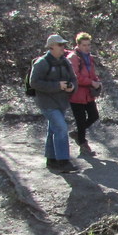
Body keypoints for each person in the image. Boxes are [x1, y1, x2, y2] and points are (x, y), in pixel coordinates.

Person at [29, 34, 78, 173]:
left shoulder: (65, 62)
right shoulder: (42, 63)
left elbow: (74, 79)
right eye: (60, 45)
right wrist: (57, 85)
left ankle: (51, 159)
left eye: (63, 45)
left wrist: (72, 87)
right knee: (61, 129)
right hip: (47, 103)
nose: (63, 47)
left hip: (61, 102)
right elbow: (34, 83)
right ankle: (63, 162)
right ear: (51, 47)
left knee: (53, 130)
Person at [67, 32, 103, 156]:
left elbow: (92, 73)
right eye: (84, 45)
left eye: (88, 45)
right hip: (76, 95)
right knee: (80, 120)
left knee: (94, 115)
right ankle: (83, 145)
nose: (87, 48)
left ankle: (78, 134)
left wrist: (96, 81)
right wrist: (91, 82)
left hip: (88, 94)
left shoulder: (89, 57)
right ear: (78, 45)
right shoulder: (73, 58)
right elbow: (75, 77)